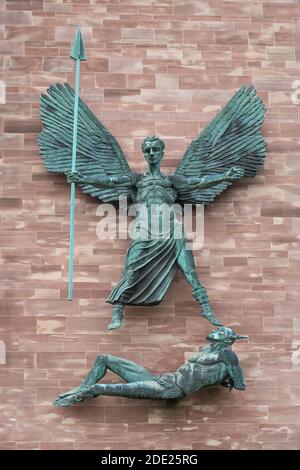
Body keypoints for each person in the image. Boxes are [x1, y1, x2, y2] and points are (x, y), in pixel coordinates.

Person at [67, 136, 244, 330]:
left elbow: (198, 182)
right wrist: (83, 179)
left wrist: (225, 176)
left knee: (190, 271)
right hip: (145, 229)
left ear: (162, 152)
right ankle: (118, 310)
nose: (151, 153)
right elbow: (110, 181)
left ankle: (206, 308)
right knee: (132, 270)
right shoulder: (136, 180)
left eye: (155, 150)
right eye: (148, 150)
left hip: (172, 230)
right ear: (144, 154)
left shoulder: (172, 181)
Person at [53, 326, 247, 407]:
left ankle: (79, 396)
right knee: (104, 358)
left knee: (103, 388)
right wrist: (220, 379)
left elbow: (239, 384)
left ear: (228, 339)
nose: (216, 330)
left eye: (220, 331)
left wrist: (229, 378)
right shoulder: (207, 350)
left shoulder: (227, 356)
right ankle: (83, 386)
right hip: (163, 380)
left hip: (172, 389)